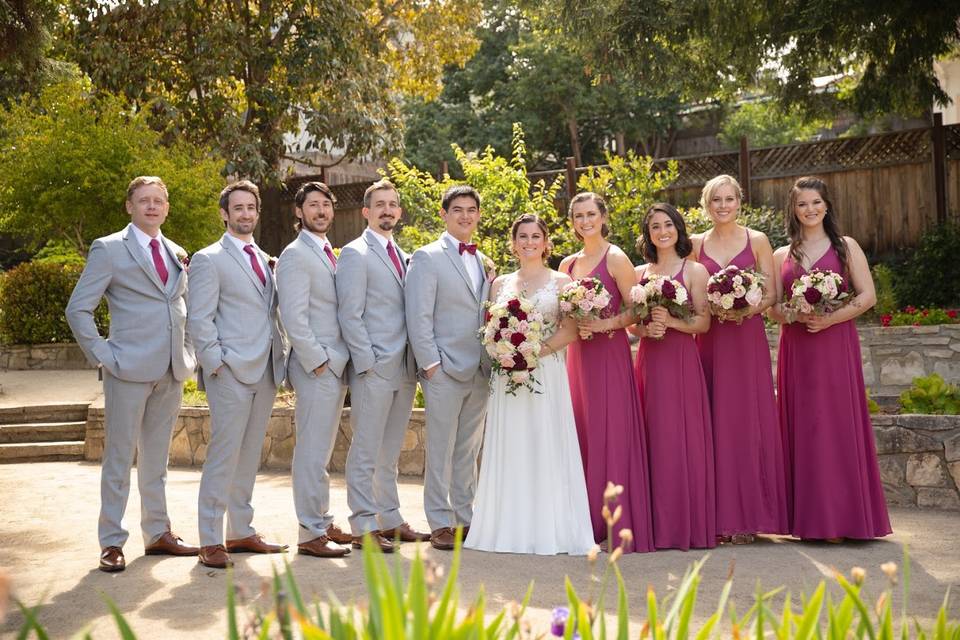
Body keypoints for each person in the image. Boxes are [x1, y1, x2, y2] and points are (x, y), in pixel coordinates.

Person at [66, 176, 199, 572]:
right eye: (144, 200)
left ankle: (158, 533)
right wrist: (105, 355)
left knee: (157, 460)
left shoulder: (176, 251)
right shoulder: (108, 249)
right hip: (127, 368)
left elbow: (183, 306)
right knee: (119, 459)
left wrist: (189, 354)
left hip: (171, 370)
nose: (152, 206)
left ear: (167, 207)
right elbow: (78, 309)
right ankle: (111, 542)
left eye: (159, 200)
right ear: (130, 206)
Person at [769, 176, 891, 541]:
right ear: (793, 209)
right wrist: (792, 313)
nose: (810, 209)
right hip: (798, 347)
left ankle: (846, 518)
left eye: (816, 202)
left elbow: (867, 295)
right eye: (802, 204)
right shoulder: (781, 255)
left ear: (827, 205)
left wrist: (830, 318)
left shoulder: (846, 247)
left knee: (836, 424)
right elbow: (773, 306)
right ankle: (809, 521)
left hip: (835, 345)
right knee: (805, 426)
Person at [465, 214, 594, 555]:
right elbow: (490, 328)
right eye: (522, 236)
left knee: (544, 440)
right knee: (512, 442)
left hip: (545, 371)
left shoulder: (562, 281)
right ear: (514, 242)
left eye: (536, 235)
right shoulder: (499, 284)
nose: (529, 242)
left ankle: (549, 527)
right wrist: (507, 353)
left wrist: (533, 353)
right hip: (507, 373)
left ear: (546, 241)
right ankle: (508, 526)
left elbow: (571, 329)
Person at [188, 180, 288, 568]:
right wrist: (217, 364)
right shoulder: (208, 258)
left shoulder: (264, 258)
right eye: (238, 208)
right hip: (229, 370)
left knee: (248, 456)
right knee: (223, 455)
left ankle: (240, 530)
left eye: (251, 208)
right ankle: (210, 539)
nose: (246, 214)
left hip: (265, 368)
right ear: (224, 214)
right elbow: (200, 318)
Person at [691, 175, 788, 544]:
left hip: (746, 340)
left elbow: (772, 292)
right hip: (711, 341)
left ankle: (748, 517)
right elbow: (690, 289)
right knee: (715, 423)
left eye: (729, 199)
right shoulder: (696, 245)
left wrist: (747, 309)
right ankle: (717, 517)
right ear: (707, 203)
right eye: (716, 199)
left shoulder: (757, 240)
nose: (723, 206)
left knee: (749, 422)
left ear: (739, 201)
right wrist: (714, 308)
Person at [336, 179, 430, 553]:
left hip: (404, 368)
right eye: (380, 205)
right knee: (366, 449)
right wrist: (367, 364)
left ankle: (389, 517)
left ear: (399, 212)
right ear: (366, 212)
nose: (387, 210)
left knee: (389, 451)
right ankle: (362, 524)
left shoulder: (404, 255)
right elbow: (350, 314)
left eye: (393, 204)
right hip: (374, 368)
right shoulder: (355, 254)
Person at [559, 192, 654, 553]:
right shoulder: (567, 264)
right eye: (578, 215)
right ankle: (585, 522)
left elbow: (636, 311)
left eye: (591, 214)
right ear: (572, 221)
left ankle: (615, 522)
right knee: (582, 431)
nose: (585, 221)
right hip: (578, 359)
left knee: (611, 433)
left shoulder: (616, 258)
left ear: (603, 216)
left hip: (610, 358)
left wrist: (603, 325)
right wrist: (578, 323)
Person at [405, 185, 492, 551]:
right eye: (458, 209)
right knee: (440, 448)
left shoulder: (484, 260)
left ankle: (465, 517)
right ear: (444, 214)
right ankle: (439, 521)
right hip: (443, 369)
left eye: (472, 210)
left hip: (480, 369)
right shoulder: (427, 257)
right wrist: (431, 365)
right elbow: (418, 315)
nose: (465, 216)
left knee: (467, 450)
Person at [630, 203, 717, 550]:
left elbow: (704, 323)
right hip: (650, 361)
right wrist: (646, 329)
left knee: (683, 438)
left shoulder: (695, 271)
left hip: (682, 362)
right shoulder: (639, 273)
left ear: (678, 229)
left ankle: (686, 525)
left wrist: (673, 324)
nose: (662, 231)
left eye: (668, 224)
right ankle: (656, 525)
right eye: (655, 227)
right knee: (654, 437)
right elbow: (633, 323)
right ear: (648, 234)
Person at [276, 181, 352, 558]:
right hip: (317, 368)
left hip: (334, 365)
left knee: (321, 451)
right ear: (299, 212)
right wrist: (318, 361)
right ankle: (309, 533)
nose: (321, 211)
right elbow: (293, 316)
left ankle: (322, 520)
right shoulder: (294, 255)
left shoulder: (326, 251)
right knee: (311, 451)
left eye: (326, 204)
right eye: (313, 205)